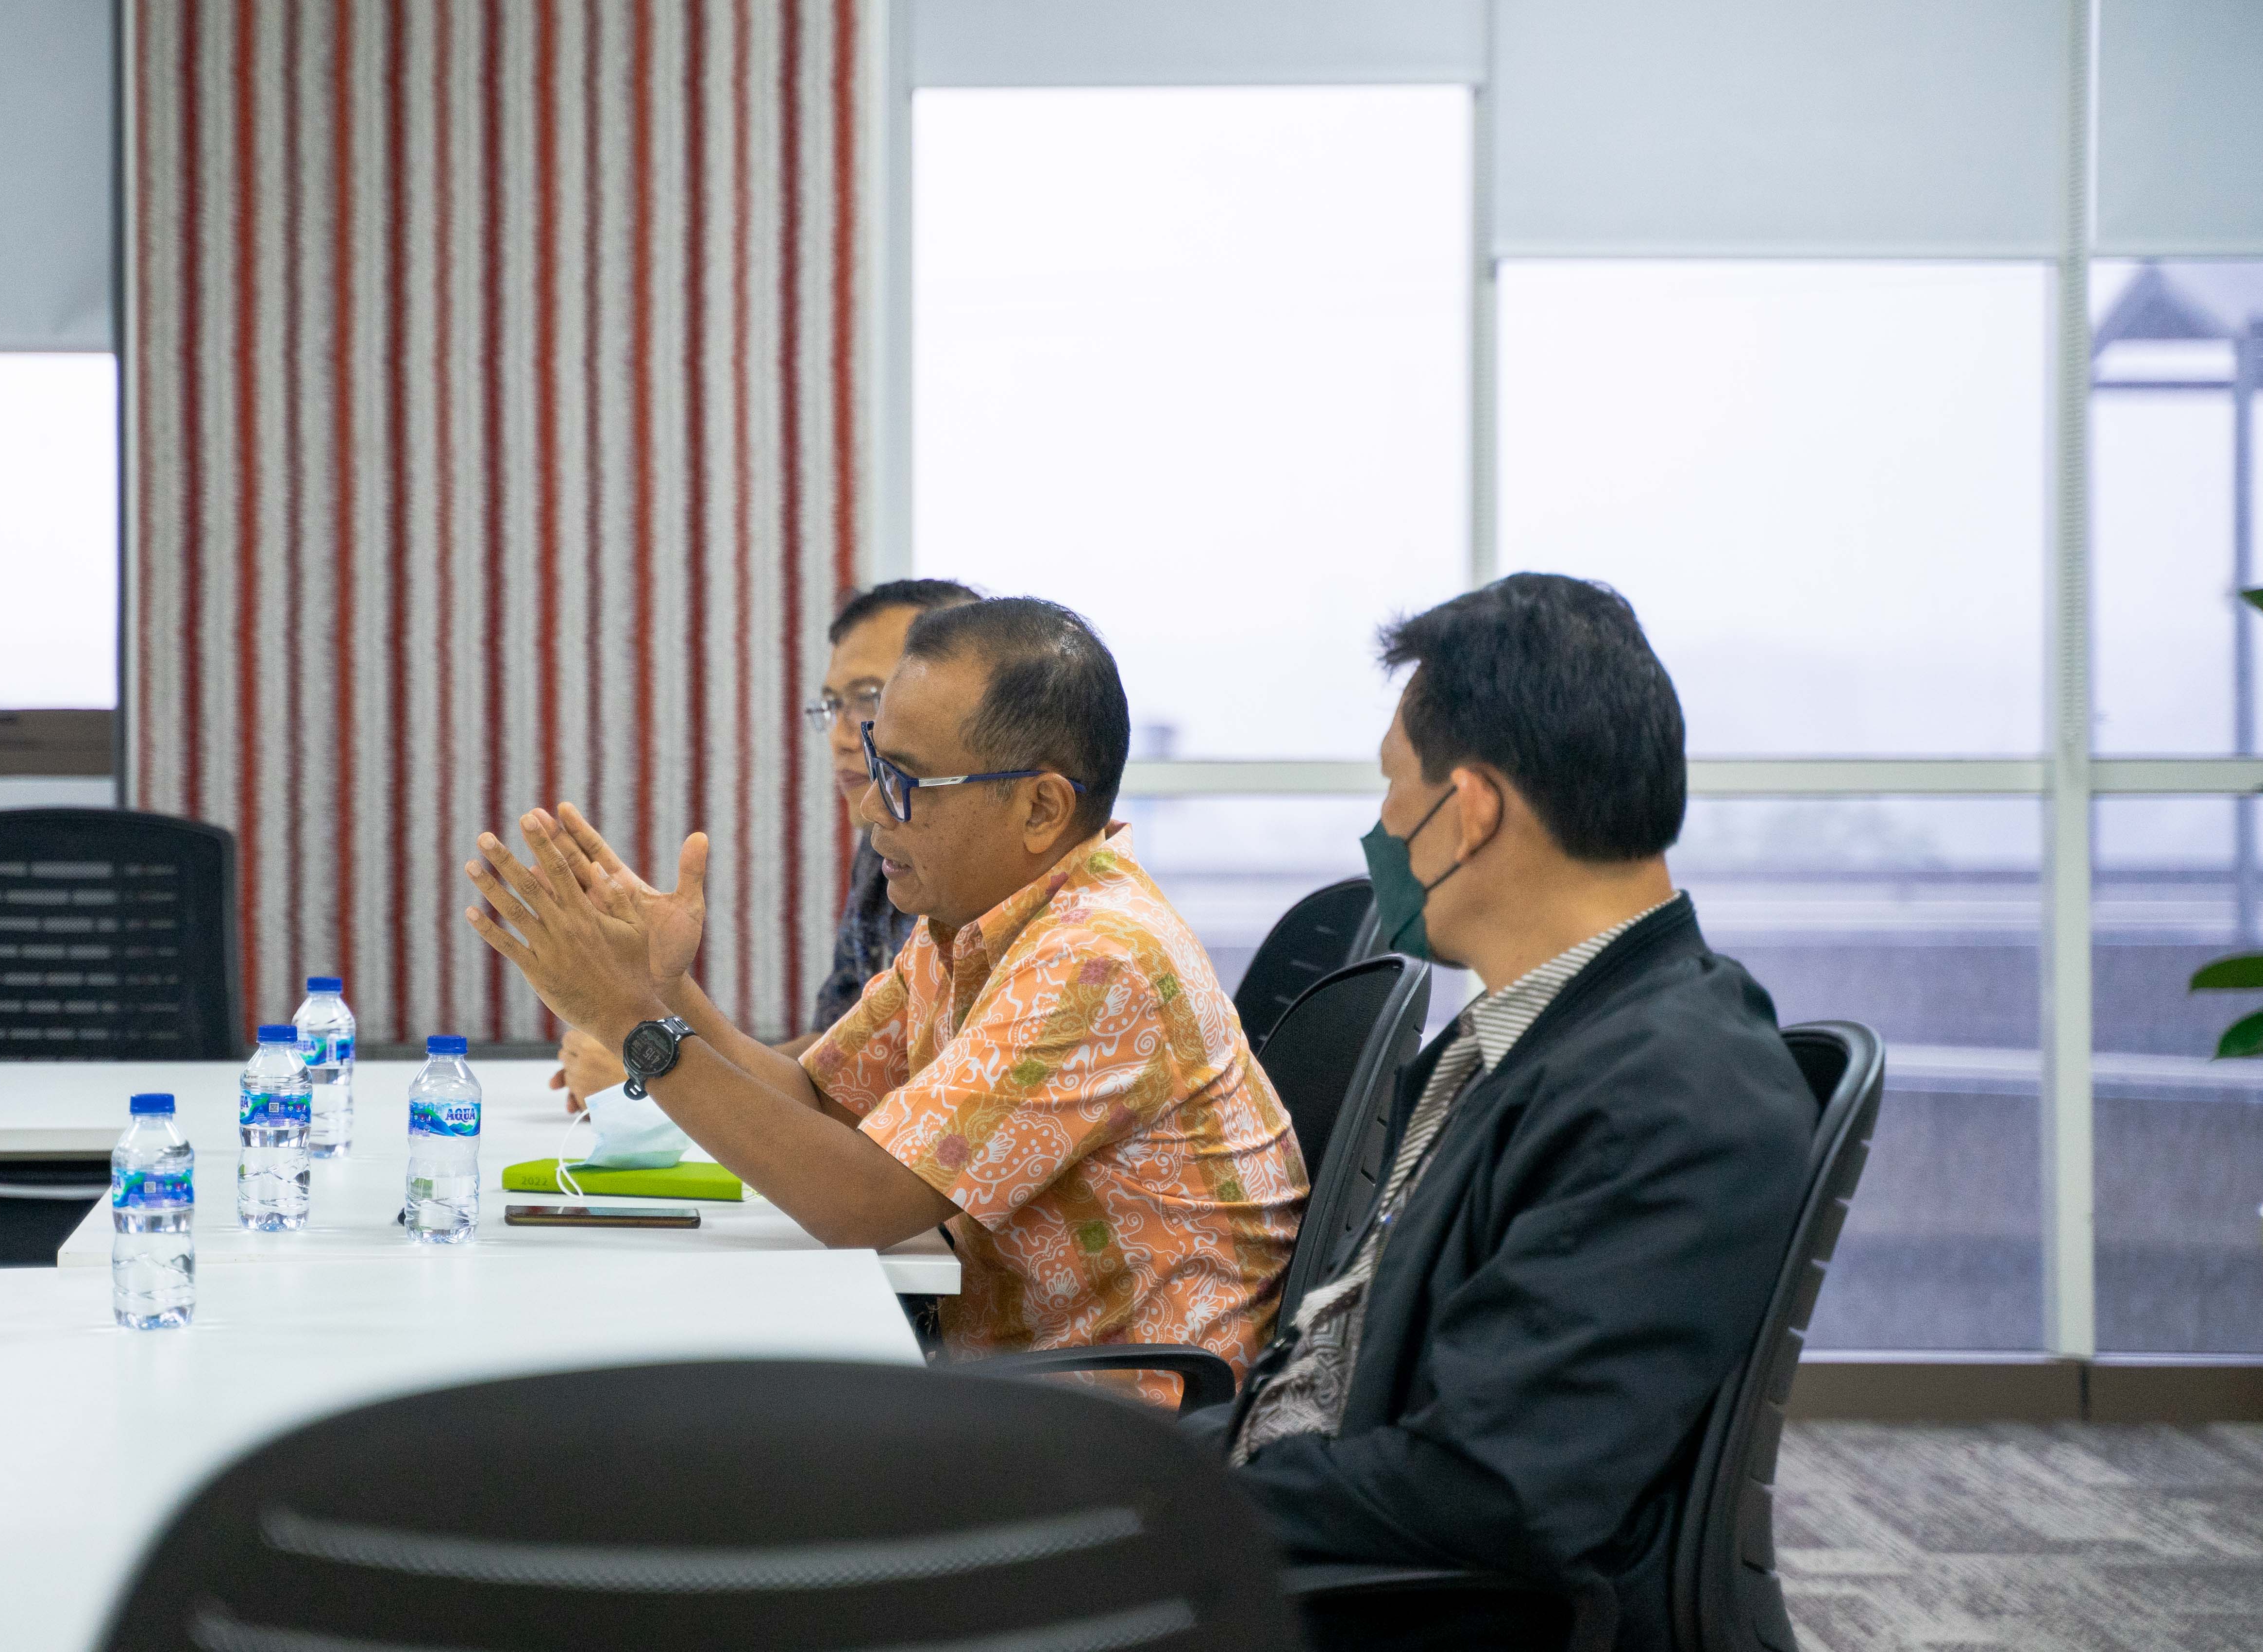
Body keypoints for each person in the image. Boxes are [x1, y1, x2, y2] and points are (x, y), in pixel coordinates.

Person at [469, 597, 1306, 1393]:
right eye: (877, 763)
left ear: (1041, 807)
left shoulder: (1096, 958)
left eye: (907, 779)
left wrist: (629, 1020)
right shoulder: (970, 923)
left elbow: (858, 1203)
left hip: (1129, 1421)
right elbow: (817, 1104)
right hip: (1016, 1382)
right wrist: (666, 990)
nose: (871, 806)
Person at [1209, 574, 1813, 1652]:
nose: (1382, 829)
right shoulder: (1536, 1036)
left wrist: (1167, 1513)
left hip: (1386, 1605)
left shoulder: (1672, 1091)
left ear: (1472, 808)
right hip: (1316, 1533)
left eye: (1394, 788)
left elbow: (1489, 1487)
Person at [548, 577, 982, 1110]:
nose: (842, 736)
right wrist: (665, 1053)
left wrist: (663, 1074)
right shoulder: (884, 842)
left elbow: (932, 1099)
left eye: (870, 698)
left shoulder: (999, 874)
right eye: (832, 705)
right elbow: (842, 1050)